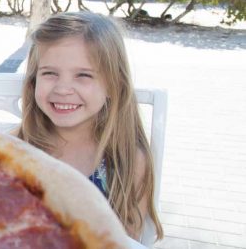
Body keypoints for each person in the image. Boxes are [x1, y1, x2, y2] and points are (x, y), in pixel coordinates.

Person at [15, 12, 163, 241]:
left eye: (83, 75)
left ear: (114, 85)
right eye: (50, 73)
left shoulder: (128, 161)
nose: (63, 89)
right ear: (34, 79)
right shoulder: (16, 146)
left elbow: (124, 243)